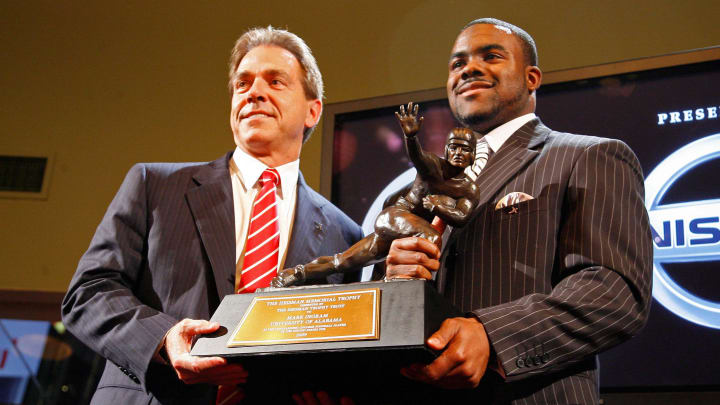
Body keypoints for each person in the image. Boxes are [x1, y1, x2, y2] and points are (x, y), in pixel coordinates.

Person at [61, 26, 363, 405]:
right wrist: (163, 338)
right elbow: (87, 293)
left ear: (312, 110)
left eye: (276, 81)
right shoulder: (152, 184)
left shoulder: (346, 235)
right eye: (243, 84)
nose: (254, 92)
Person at [385, 18, 653, 404]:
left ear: (531, 78)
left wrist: (491, 336)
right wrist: (395, 279)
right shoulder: (410, 189)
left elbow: (614, 291)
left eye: (491, 56)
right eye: (457, 63)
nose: (469, 68)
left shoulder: (589, 156)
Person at [272, 102, 482, 287]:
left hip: (405, 230)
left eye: (464, 149)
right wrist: (410, 137)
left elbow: (461, 217)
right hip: (394, 217)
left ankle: (296, 273)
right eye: (453, 148)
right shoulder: (434, 166)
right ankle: (413, 291)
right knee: (430, 237)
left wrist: (438, 207)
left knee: (343, 261)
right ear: (445, 151)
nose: (458, 153)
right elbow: (418, 156)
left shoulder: (468, 190)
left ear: (473, 155)